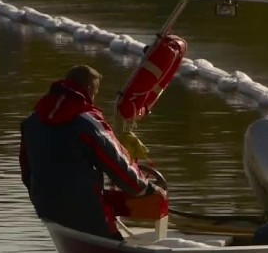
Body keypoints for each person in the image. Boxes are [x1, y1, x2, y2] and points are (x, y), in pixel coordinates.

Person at [19, 65, 164, 240]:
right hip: (85, 209)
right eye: (95, 93)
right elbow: (117, 163)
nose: (94, 98)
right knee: (115, 239)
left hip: (45, 207)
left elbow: (26, 168)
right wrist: (145, 188)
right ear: (88, 89)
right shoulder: (88, 122)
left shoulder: (33, 121)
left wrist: (41, 195)